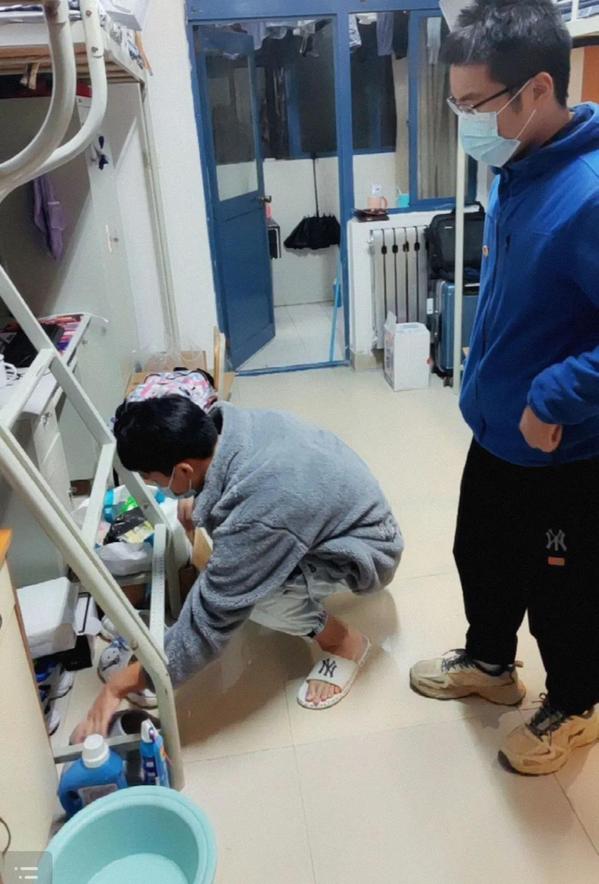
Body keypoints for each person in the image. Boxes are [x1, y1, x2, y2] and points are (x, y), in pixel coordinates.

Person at [411, 0, 599, 775]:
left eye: (473, 104)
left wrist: (551, 397)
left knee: (564, 591)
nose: (464, 122)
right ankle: (490, 664)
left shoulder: (588, 193)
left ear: (536, 89)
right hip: (496, 432)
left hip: (563, 452)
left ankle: (576, 705)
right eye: (454, 104)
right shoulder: (517, 169)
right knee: (480, 553)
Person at [74, 396, 403, 741]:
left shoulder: (259, 515)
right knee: (233, 569)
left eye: (154, 480)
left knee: (256, 600)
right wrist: (197, 495)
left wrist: (121, 684)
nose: (158, 488)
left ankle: (343, 642)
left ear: (183, 470)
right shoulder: (234, 427)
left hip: (366, 553)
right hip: (347, 513)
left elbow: (209, 622)